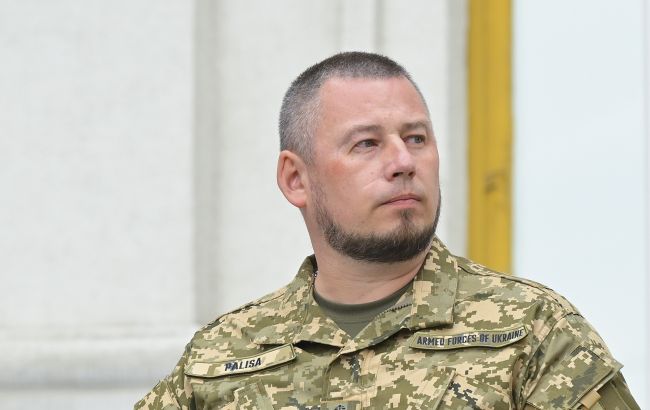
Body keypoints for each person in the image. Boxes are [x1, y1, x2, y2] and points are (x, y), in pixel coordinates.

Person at [135, 52, 639, 409]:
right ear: (296, 179)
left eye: (416, 138)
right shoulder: (222, 355)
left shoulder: (532, 331)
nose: (403, 162)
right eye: (367, 144)